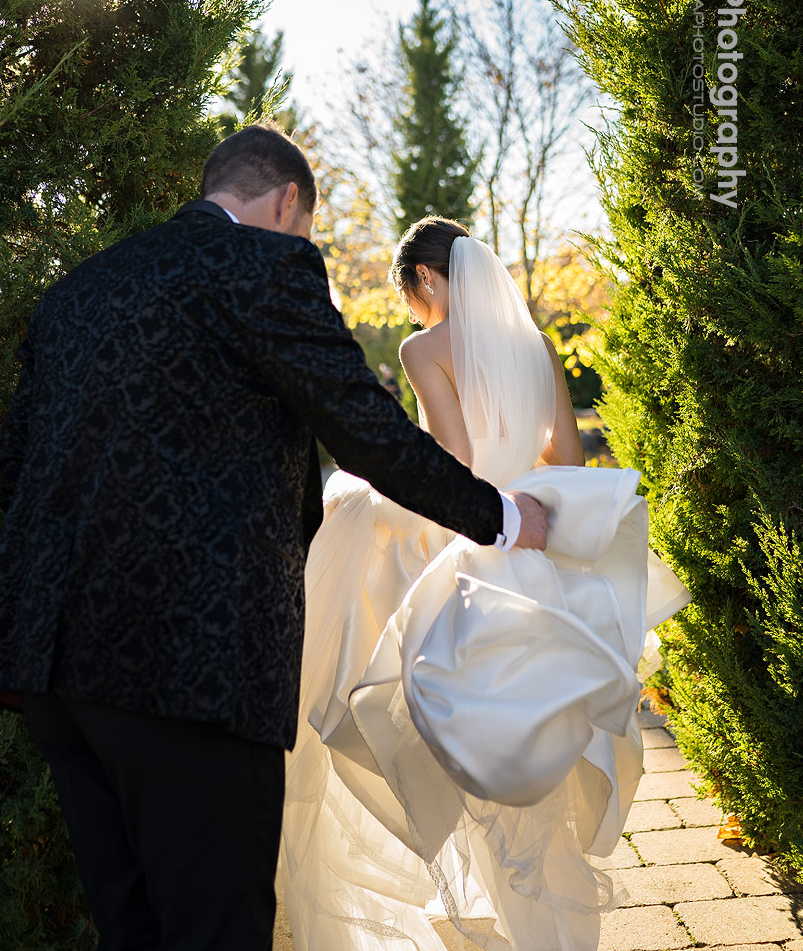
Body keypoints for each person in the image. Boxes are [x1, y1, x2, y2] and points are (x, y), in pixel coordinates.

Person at [0, 128, 550, 951]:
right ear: (287, 201)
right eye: (302, 227)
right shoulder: (263, 266)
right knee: (217, 924)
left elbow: (15, 468)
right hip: (186, 664)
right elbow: (363, 428)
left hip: (52, 668)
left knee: (130, 922)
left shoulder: (78, 289)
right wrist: (503, 517)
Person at [280, 216, 691, 951]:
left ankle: (450, 908)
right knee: (523, 749)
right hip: (529, 558)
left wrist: (367, 478)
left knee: (417, 727)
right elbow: (562, 456)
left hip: (453, 543)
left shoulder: (422, 348)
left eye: (407, 293)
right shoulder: (534, 348)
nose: (409, 309)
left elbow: (451, 460)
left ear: (425, 280)